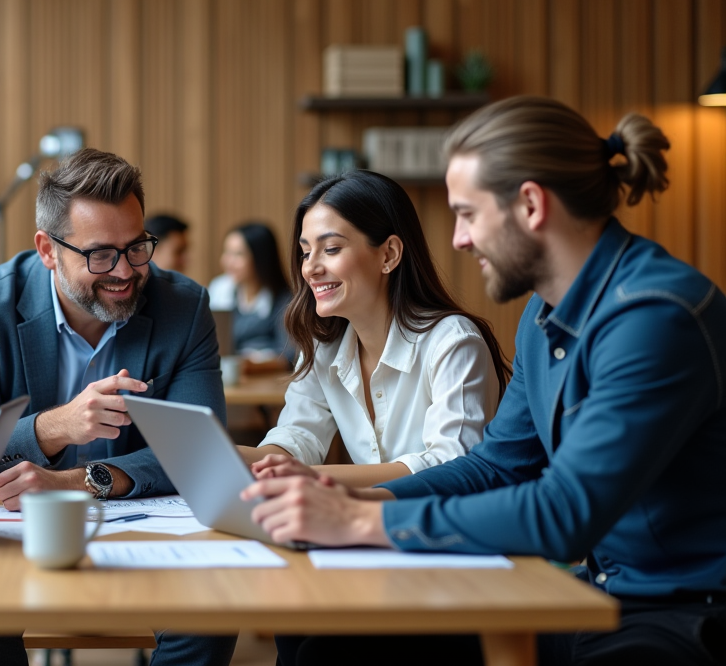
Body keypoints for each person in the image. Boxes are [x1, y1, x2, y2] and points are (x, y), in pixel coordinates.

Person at [245, 96, 726, 666]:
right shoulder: (543, 316)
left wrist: (361, 518)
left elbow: (564, 512)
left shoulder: (655, 316)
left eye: (468, 214)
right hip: (597, 589)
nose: (458, 240)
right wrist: (353, 499)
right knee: (325, 643)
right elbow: (495, 467)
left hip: (685, 613)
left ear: (529, 205)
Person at [0, 148, 236, 666]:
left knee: (209, 618)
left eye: (137, 247)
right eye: (100, 254)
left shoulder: (183, 307)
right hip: (14, 531)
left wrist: (81, 479)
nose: (125, 271)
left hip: (144, 527)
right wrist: (56, 428)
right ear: (48, 250)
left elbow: (203, 454)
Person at [240, 171, 509, 489]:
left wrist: (312, 476)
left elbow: (451, 467)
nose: (310, 267)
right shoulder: (324, 346)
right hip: (367, 528)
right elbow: (295, 440)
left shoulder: (453, 342)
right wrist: (222, 454)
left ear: (389, 254)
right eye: (305, 251)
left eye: (331, 249)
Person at [207, 222, 294, 367]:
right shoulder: (220, 289)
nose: (228, 262)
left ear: (261, 258)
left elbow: (290, 356)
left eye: (238, 254)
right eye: (227, 253)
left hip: (270, 382)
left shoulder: (285, 300)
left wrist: (252, 366)